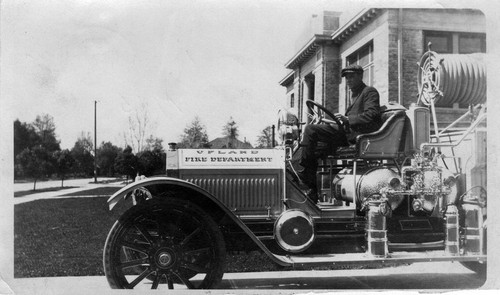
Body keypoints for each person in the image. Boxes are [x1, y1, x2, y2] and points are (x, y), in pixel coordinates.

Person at [296, 64, 382, 203]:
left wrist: (347, 119)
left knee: (310, 129)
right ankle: (311, 190)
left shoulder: (369, 92)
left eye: (352, 76)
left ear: (361, 76)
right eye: (347, 78)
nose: (349, 80)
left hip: (357, 138)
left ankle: (303, 171)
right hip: (347, 135)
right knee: (315, 150)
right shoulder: (355, 95)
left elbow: (371, 115)